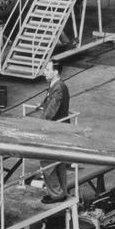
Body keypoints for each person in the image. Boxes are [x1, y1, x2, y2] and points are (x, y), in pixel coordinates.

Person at [37, 60, 71, 203]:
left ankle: (56, 194)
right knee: (59, 163)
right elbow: (49, 103)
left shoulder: (58, 88)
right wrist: (41, 105)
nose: (44, 71)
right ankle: (61, 191)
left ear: (55, 72)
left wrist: (37, 125)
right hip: (60, 129)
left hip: (55, 130)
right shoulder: (56, 86)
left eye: (47, 69)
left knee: (47, 161)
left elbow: (51, 112)